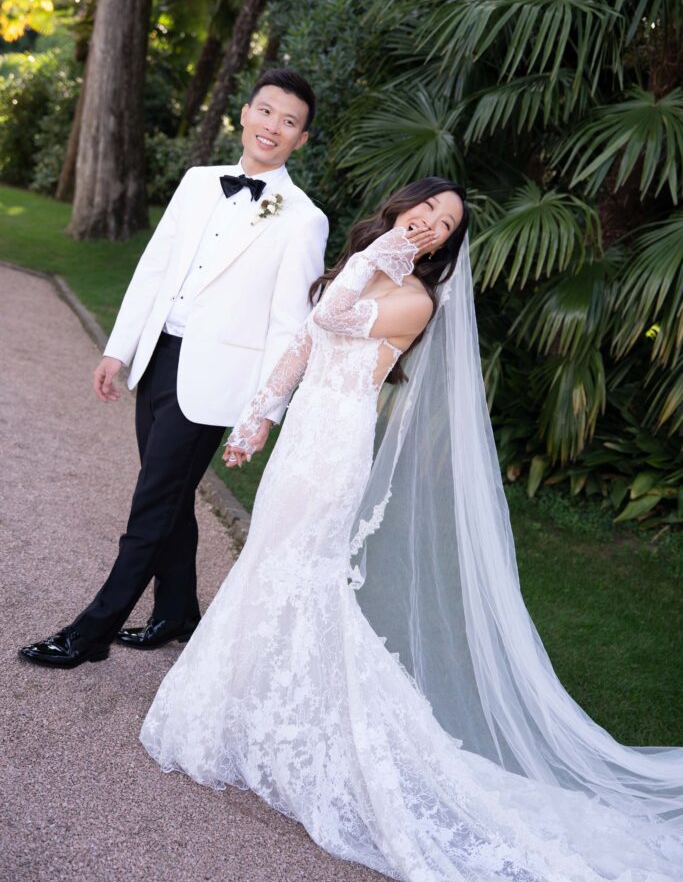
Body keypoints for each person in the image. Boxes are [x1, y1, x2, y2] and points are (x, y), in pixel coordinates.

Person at [139, 177, 683, 882]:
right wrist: (259, 416)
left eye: (444, 222)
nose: (428, 222)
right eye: (424, 208)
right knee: (267, 568)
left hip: (334, 449)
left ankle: (283, 726)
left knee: (291, 574)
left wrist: (378, 256)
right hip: (301, 437)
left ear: (447, 243)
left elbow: (333, 316)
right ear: (403, 205)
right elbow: (303, 343)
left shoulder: (414, 298)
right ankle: (250, 713)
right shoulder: (373, 264)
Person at [20, 68, 328, 669]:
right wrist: (120, 349)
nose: (273, 127)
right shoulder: (197, 182)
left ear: (301, 140)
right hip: (161, 358)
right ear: (244, 113)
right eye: (266, 112)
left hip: (217, 384)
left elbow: (289, 328)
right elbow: (155, 268)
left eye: (289, 122)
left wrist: (262, 414)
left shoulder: (303, 218)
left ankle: (90, 634)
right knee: (170, 498)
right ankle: (178, 612)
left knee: (151, 504)